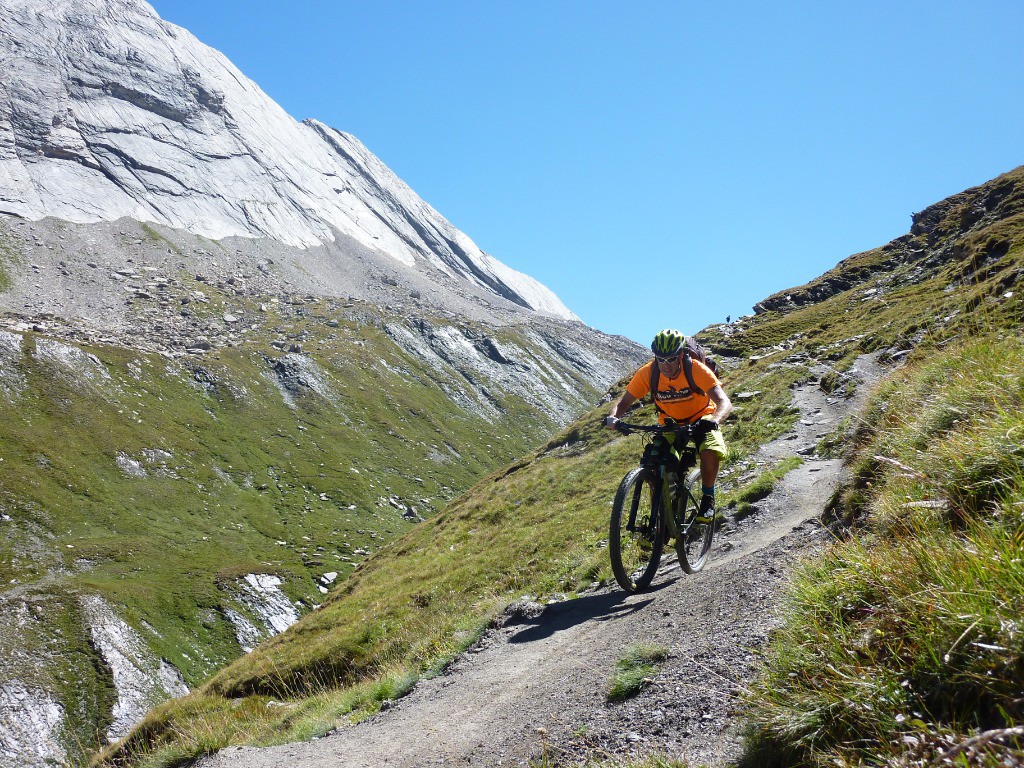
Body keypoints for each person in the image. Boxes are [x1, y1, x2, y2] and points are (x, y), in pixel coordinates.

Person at [604, 329, 733, 523]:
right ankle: (660, 517)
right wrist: (613, 418)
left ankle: (708, 500)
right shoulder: (649, 372)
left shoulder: (696, 369)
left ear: (681, 355)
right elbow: (623, 403)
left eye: (671, 359)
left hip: (702, 418)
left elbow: (725, 402)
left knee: (709, 450)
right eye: (660, 359)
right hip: (669, 422)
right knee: (655, 463)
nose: (665, 365)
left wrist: (713, 420)